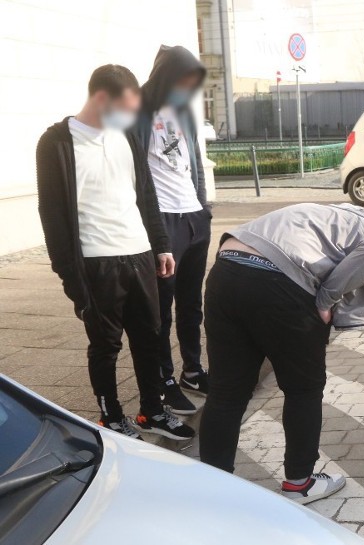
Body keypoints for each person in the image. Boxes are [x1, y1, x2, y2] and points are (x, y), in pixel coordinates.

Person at [199, 203, 364, 504]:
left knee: (225, 393)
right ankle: (300, 484)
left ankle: (210, 489)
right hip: (278, 283)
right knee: (304, 389)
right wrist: (326, 300)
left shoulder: (337, 217)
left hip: (225, 271)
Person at [36, 65, 195, 441]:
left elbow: (146, 195)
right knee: (106, 345)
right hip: (95, 262)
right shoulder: (57, 143)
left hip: (138, 254)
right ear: (102, 99)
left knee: (151, 337)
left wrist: (160, 245)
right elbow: (52, 213)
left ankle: (152, 412)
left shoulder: (126, 136)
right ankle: (111, 417)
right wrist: (68, 275)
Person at [134, 45, 210, 416]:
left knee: (192, 304)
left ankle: (192, 371)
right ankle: (164, 383)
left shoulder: (184, 113)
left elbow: (194, 165)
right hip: (162, 221)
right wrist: (150, 227)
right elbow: (136, 173)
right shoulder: (137, 113)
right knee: (160, 310)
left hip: (194, 217)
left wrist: (204, 209)